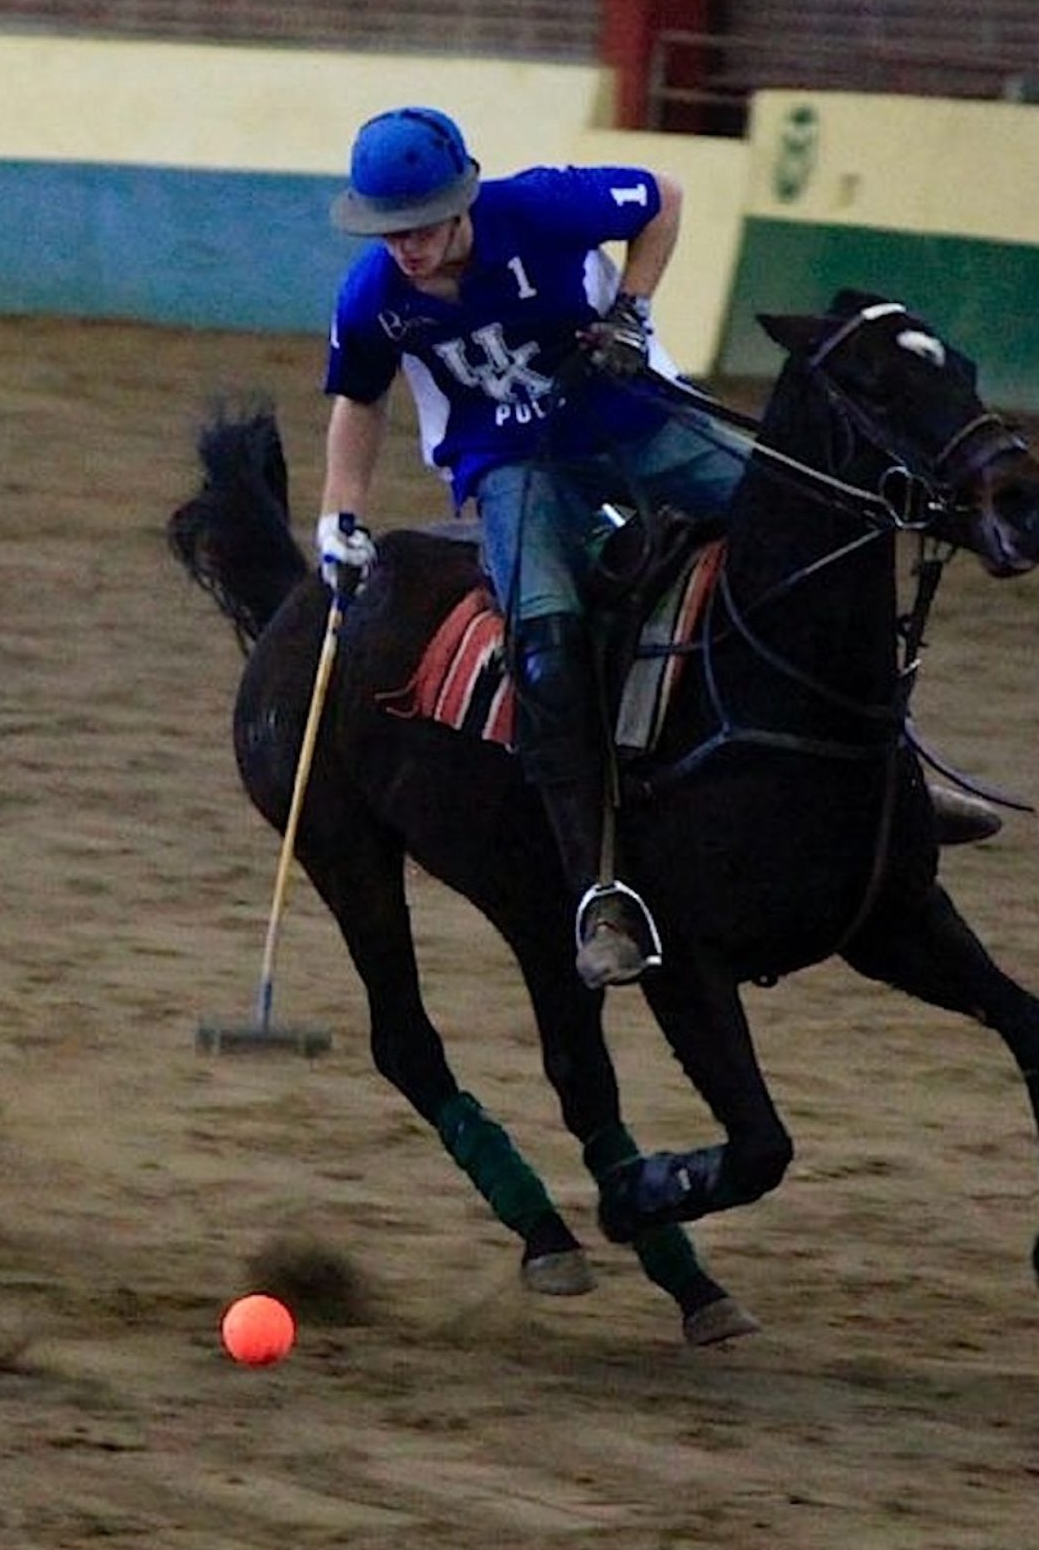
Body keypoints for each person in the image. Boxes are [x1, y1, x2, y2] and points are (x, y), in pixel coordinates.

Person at [316, 106, 747, 990]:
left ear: (464, 199)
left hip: (637, 419)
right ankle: (600, 891)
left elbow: (661, 199)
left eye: (423, 224)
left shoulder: (542, 209)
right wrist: (339, 517)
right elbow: (358, 399)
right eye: (388, 229)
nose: (406, 245)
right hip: (513, 468)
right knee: (544, 654)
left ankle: (900, 759)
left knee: (800, 515)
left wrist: (632, 312)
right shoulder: (374, 298)